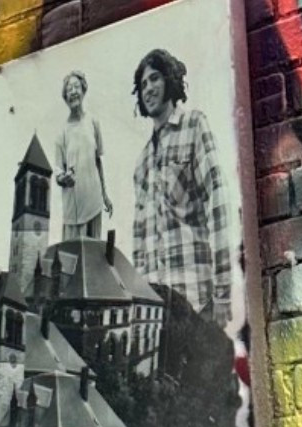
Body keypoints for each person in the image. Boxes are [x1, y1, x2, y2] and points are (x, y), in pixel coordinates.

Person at [131, 48, 231, 324]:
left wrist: (223, 292)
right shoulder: (141, 163)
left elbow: (219, 204)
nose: (148, 89)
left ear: (170, 80)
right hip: (157, 318)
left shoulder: (194, 126)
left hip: (196, 303)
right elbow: (139, 245)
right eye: (143, 84)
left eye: (154, 78)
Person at [55, 71, 111, 239]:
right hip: (73, 208)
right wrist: (64, 178)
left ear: (83, 90)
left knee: (93, 257)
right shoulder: (62, 133)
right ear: (65, 97)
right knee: (71, 259)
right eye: (69, 89)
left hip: (94, 202)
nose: (73, 91)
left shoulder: (93, 122)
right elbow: (58, 171)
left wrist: (105, 196)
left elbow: (98, 161)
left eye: (76, 87)